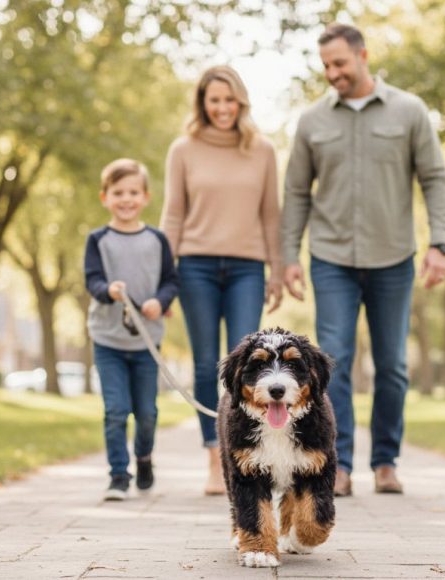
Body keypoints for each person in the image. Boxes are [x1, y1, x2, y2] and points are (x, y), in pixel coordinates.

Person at [281, 23, 445, 497]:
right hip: (331, 257)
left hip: (392, 257)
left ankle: (386, 461)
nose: (333, 73)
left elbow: (435, 178)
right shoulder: (313, 121)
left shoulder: (409, 110)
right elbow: (295, 192)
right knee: (331, 362)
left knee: (393, 364)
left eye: (339, 63)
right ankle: (338, 464)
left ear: (363, 55)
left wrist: (440, 243)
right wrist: (287, 256)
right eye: (326, 67)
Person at [160, 65, 283, 495]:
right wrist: (163, 273)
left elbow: (271, 214)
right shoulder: (184, 149)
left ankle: (245, 455)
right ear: (203, 103)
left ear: (241, 102)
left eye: (230, 100)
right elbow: (173, 213)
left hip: (247, 267)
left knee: (249, 361)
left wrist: (277, 268)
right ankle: (215, 459)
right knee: (204, 361)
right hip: (195, 265)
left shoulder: (262, 150)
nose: (223, 108)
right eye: (214, 100)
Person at [84, 158, 179, 501]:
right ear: (105, 197)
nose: (126, 199)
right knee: (115, 410)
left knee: (147, 412)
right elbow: (92, 278)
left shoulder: (156, 239)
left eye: (133, 192)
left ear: (146, 197)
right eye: (118, 192)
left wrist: (160, 300)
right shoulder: (98, 240)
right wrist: (106, 290)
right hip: (108, 339)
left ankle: (144, 457)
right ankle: (118, 475)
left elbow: (171, 280)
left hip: (145, 342)